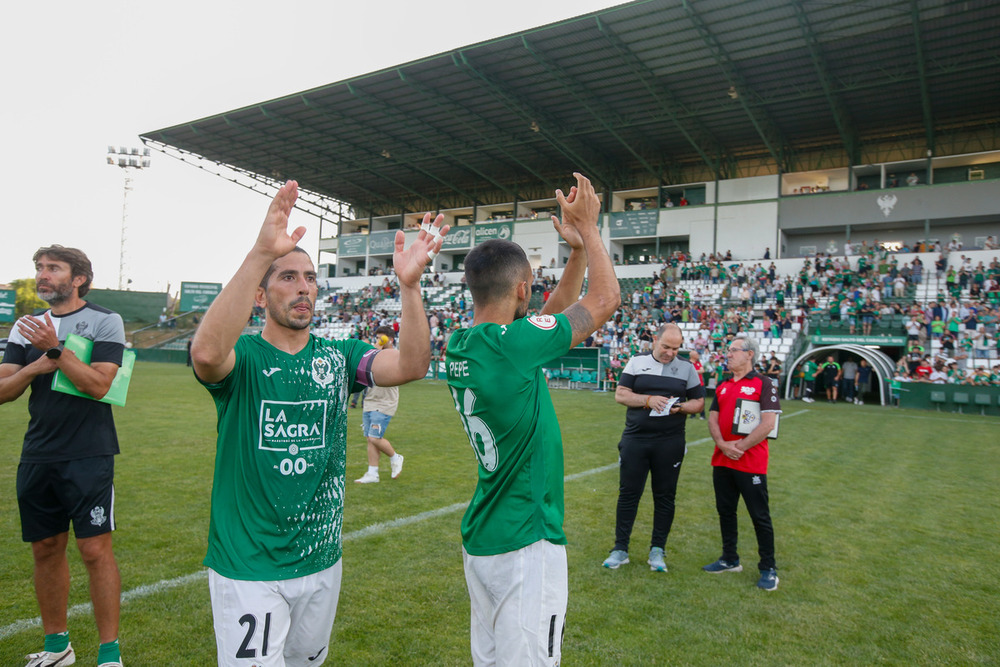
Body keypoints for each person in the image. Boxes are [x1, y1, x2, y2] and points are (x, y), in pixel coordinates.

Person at [189, 180, 446, 666]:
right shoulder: (241, 358)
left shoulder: (339, 356)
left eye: (309, 276)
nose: (304, 286)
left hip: (322, 560)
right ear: (260, 296)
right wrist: (260, 252)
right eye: (287, 276)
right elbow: (205, 354)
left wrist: (409, 288)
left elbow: (411, 365)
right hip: (250, 565)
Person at [444, 173, 619, 666]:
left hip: (485, 537)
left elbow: (551, 316)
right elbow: (604, 301)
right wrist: (592, 230)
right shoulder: (516, 346)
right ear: (522, 288)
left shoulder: (463, 343)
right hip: (525, 539)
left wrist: (579, 253)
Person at [0, 245, 126, 667]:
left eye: (53, 268)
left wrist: (56, 351)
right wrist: (34, 367)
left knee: (95, 551)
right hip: (38, 453)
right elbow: (3, 391)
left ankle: (109, 656)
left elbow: (100, 386)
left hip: (89, 453)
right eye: (39, 268)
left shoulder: (106, 321)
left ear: (78, 279)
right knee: (45, 549)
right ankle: (58, 649)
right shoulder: (25, 327)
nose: (43, 275)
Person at [601, 323, 705, 572]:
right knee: (628, 494)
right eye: (666, 346)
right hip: (636, 440)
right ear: (655, 341)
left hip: (670, 442)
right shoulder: (637, 362)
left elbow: (699, 402)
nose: (670, 353)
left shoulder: (687, 368)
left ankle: (657, 550)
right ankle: (620, 549)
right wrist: (648, 400)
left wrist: (681, 407)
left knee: (665, 496)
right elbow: (621, 394)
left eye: (676, 348)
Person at [704, 334, 782, 591]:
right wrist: (723, 445)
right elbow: (713, 418)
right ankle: (729, 558)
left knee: (759, 516)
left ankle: (768, 567)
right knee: (725, 512)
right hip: (722, 460)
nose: (729, 354)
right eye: (728, 351)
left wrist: (739, 447)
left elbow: (768, 423)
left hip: (751, 463)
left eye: (734, 350)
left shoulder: (764, 383)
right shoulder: (723, 385)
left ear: (749, 354)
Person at [354, 326, 405, 484]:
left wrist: (381, 346)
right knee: (370, 438)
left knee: (375, 437)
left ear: (389, 339)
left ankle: (395, 457)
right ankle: (372, 473)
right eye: (377, 338)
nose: (378, 341)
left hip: (385, 402)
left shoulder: (394, 354)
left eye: (381, 338)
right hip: (370, 399)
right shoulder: (374, 352)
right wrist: (375, 346)